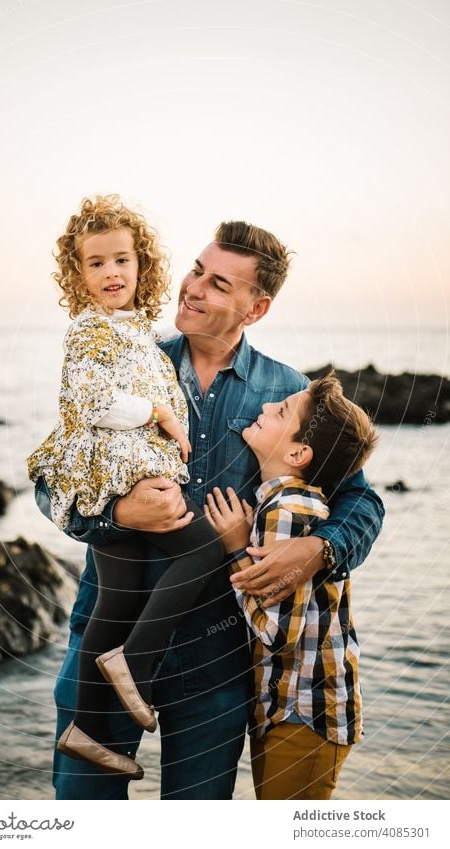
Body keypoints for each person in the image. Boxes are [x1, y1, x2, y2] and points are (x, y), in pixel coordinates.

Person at [48, 218, 385, 800]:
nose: (193, 288)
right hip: (105, 640)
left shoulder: (287, 395)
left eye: (219, 285)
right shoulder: (124, 363)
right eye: (197, 270)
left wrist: (320, 548)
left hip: (217, 661)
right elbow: (55, 475)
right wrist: (116, 514)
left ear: (256, 309)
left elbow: (362, 500)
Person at [28, 195, 225, 779]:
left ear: (142, 266)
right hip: (111, 476)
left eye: (121, 260)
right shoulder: (92, 330)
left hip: (121, 471)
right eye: (95, 264)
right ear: (77, 274)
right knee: (205, 549)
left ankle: (84, 730)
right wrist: (161, 412)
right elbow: (88, 402)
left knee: (113, 604)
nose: (111, 273)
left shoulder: (135, 330)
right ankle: (134, 664)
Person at [204, 372, 378, 799]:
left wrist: (235, 549)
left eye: (280, 411)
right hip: (289, 706)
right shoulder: (284, 500)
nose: (264, 408)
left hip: (304, 711)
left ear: (299, 452)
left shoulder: (289, 509)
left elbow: (278, 633)